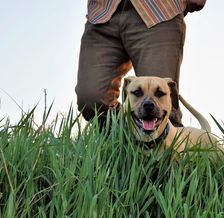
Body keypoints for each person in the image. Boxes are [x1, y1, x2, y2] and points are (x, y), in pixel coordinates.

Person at [75, 0, 206, 128]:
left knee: (160, 102)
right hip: (102, 13)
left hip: (159, 10)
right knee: (91, 99)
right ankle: (122, 142)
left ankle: (166, 148)